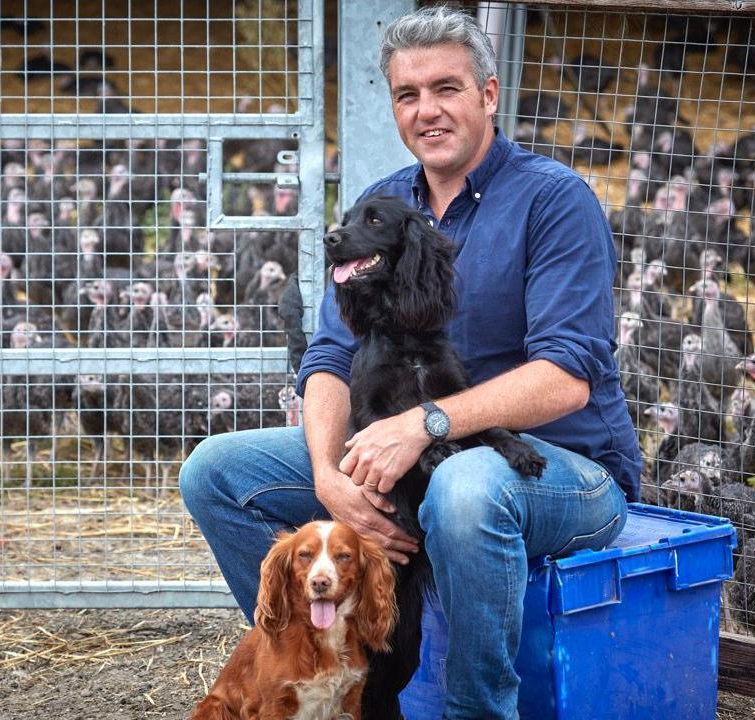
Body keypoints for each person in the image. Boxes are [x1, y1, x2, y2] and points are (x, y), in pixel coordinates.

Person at [180, 6, 642, 717]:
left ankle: (476, 709)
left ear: (489, 94)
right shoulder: (383, 205)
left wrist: (425, 424)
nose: (427, 110)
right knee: (217, 472)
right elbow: (332, 353)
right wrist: (331, 479)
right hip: (405, 450)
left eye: (447, 88)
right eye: (407, 94)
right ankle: (324, 680)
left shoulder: (554, 202)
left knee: (464, 486)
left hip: (553, 467)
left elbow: (568, 376)